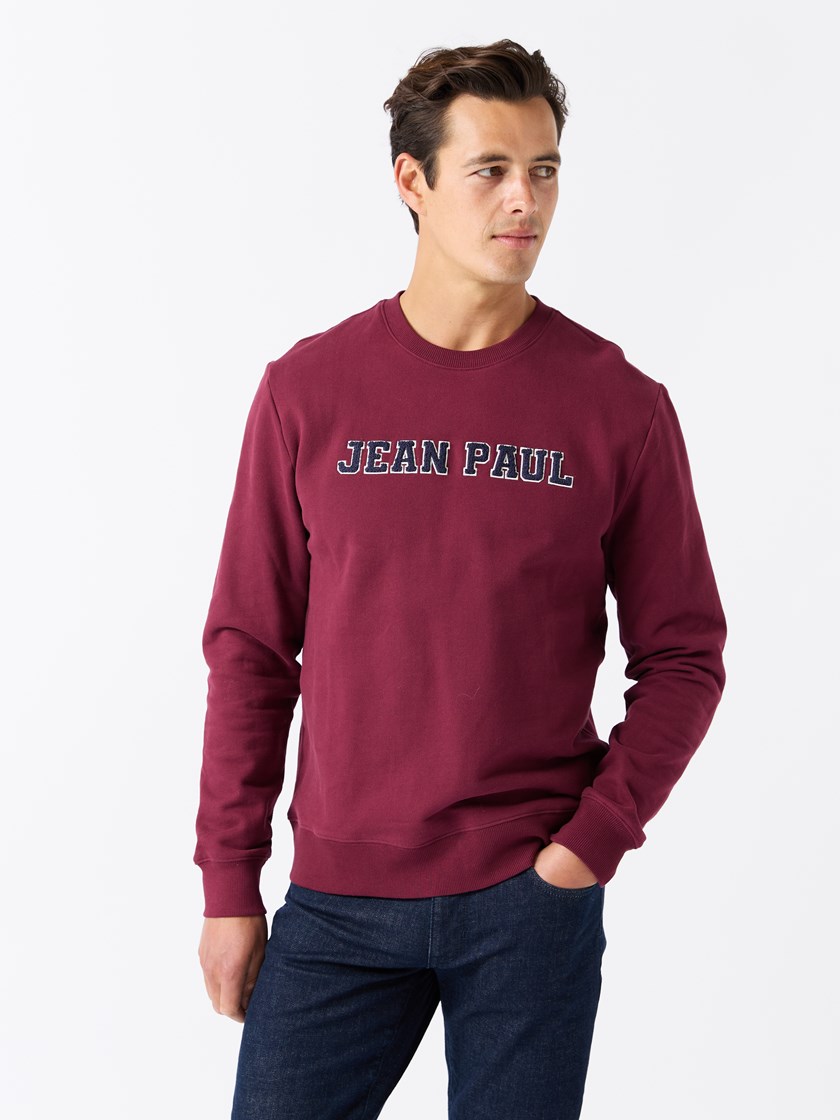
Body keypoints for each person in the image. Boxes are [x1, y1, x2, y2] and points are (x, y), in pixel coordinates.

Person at [194, 38, 727, 1120]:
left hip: (528, 899)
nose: (525, 199)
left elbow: (684, 655)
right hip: (338, 901)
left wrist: (591, 843)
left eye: (544, 169)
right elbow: (250, 650)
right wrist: (228, 882)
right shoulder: (308, 391)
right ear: (413, 181)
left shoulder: (618, 406)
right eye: (490, 169)